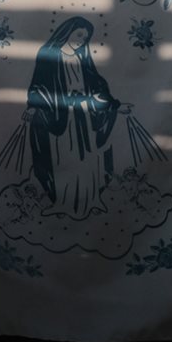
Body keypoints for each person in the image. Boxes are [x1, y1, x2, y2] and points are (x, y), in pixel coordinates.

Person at [23, 16, 131, 219]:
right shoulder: (49, 55)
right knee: (62, 158)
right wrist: (34, 105)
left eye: (85, 37)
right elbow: (39, 85)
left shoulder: (82, 58)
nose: (82, 40)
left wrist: (114, 105)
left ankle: (91, 199)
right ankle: (61, 202)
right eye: (79, 35)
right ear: (67, 32)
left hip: (83, 114)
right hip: (61, 115)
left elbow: (96, 85)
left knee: (87, 158)